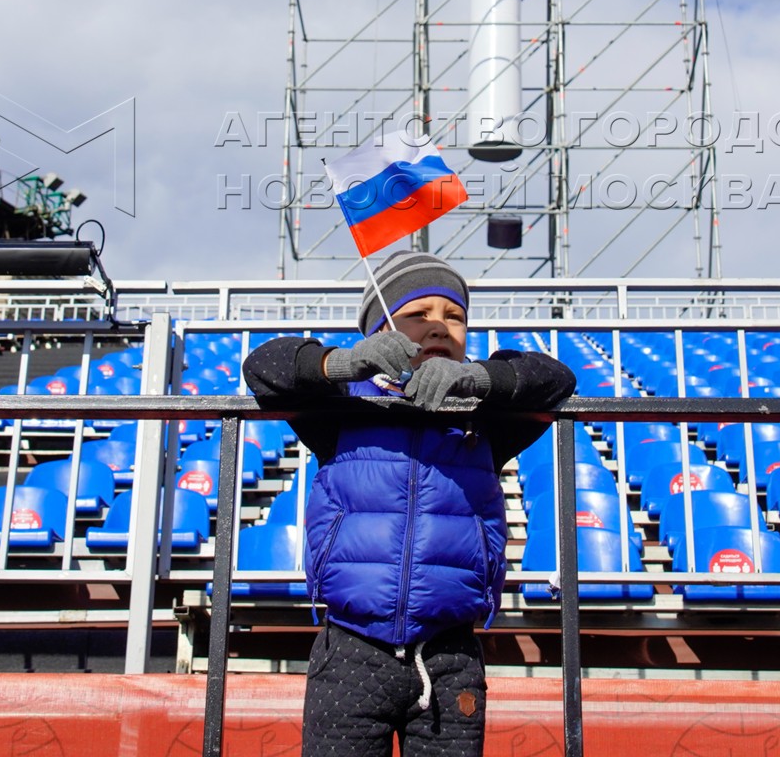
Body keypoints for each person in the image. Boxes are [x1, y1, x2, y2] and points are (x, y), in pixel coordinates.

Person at [242, 251, 576, 757]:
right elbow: (264, 366)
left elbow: (554, 379)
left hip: (450, 654)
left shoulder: (482, 416)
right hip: (350, 649)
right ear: (381, 329)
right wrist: (340, 363)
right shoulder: (343, 407)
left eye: (455, 315)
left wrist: (477, 382)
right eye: (418, 313)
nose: (439, 325)